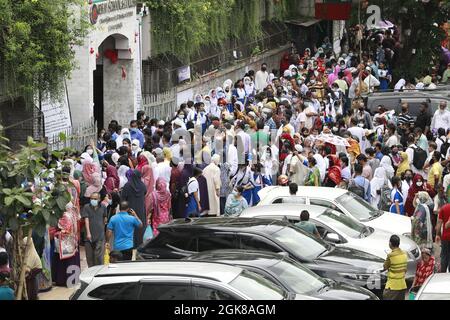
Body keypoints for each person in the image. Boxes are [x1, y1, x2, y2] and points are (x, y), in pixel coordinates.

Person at [121, 170, 147, 248]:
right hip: (140, 211)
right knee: (139, 229)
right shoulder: (142, 186)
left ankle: (129, 248)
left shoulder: (127, 186)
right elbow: (145, 193)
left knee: (129, 230)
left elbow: (122, 199)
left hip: (129, 211)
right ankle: (138, 247)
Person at [82, 192, 107, 267]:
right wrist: (88, 233)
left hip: (100, 236)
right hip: (89, 237)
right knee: (90, 258)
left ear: (99, 199)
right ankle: (91, 275)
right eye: (91, 198)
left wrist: (105, 222)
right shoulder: (86, 207)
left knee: (99, 258)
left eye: (95, 199)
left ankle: (98, 274)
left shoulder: (103, 207)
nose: (93, 200)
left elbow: (105, 217)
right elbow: (86, 220)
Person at [382, 235, 408, 300]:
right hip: (402, 285)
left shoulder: (390, 255)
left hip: (392, 286)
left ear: (390, 243)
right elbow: (405, 269)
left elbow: (385, 266)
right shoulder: (405, 253)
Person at [436, 202, 450, 273]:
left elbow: (439, 223)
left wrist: (437, 234)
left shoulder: (443, 208)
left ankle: (443, 273)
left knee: (444, 256)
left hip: (445, 237)